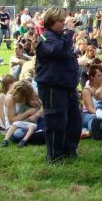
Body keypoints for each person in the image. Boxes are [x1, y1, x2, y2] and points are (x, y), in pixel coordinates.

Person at [35, 8, 81, 162]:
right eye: (61, 21)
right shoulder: (46, 37)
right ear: (51, 22)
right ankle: (55, 156)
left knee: (74, 120)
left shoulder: (60, 37)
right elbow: (57, 50)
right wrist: (70, 32)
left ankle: (69, 151)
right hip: (53, 86)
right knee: (56, 121)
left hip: (68, 86)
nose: (64, 23)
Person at [1, 81, 42, 148]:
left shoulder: (30, 92)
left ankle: (32, 136)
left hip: (29, 122)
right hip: (15, 125)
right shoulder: (10, 99)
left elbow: (43, 105)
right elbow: (12, 121)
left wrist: (36, 115)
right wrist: (27, 113)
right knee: (19, 134)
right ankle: (30, 136)